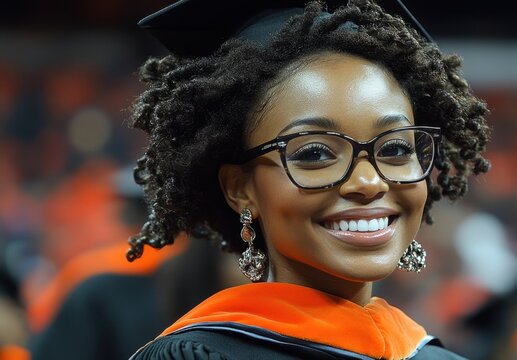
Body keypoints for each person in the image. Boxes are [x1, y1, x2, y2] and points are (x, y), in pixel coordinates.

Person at [127, 0, 491, 358]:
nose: (369, 182)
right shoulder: (198, 354)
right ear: (240, 188)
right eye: (315, 153)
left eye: (396, 149)